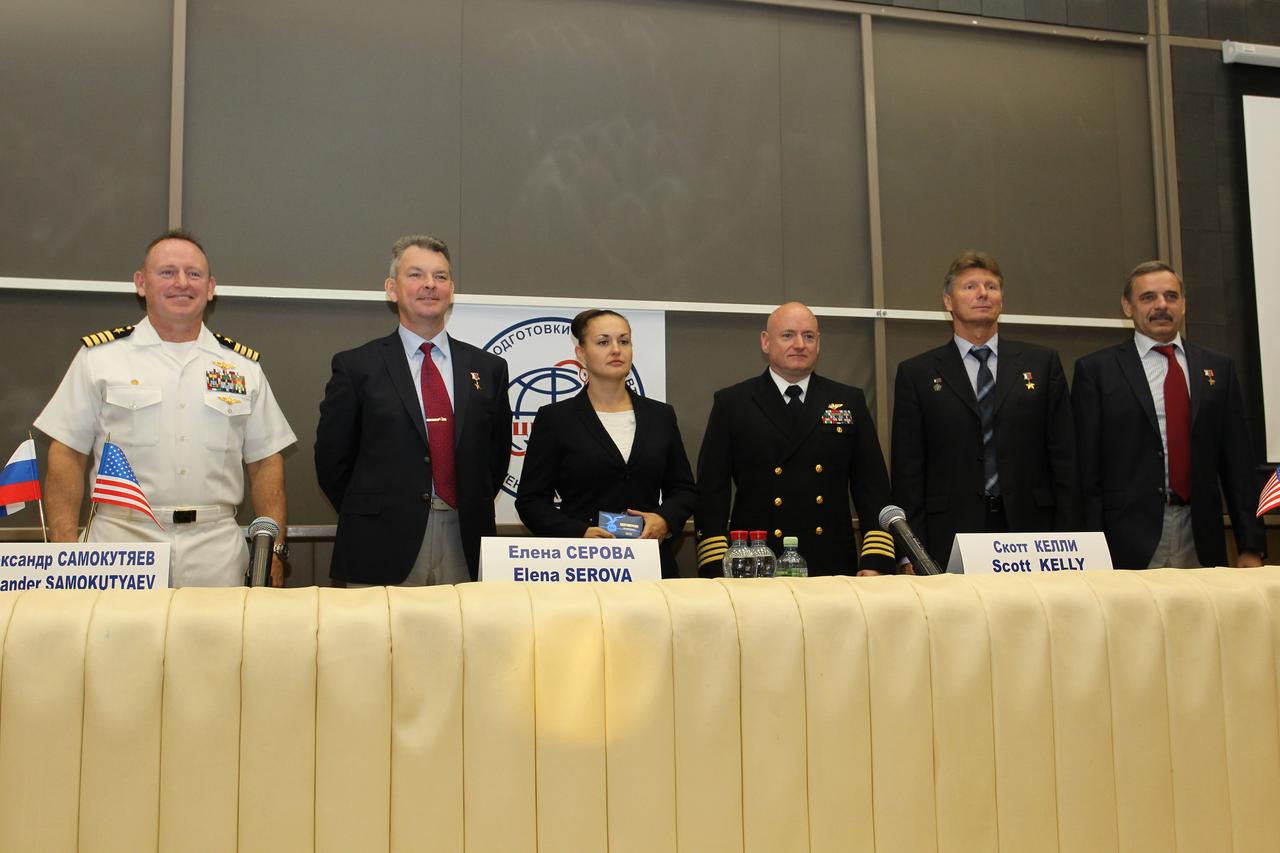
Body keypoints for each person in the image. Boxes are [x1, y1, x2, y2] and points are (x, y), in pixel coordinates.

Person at [35, 229, 295, 587]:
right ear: (141, 283)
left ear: (210, 287)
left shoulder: (242, 367)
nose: (182, 283)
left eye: (194, 274)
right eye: (167, 272)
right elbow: (67, 453)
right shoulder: (99, 359)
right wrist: (63, 550)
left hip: (215, 549)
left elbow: (266, 462)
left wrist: (275, 551)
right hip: (121, 542)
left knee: (217, 628)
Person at [315, 235, 511, 586]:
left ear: (451, 290)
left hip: (464, 539)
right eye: (416, 274)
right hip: (379, 541)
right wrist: (375, 510)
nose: (429, 285)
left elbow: (495, 459)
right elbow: (332, 461)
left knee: (464, 625)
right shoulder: (356, 367)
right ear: (392, 289)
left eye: (440, 276)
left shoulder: (488, 368)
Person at [891, 251, 1078, 569]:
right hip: (948, 532)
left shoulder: (1042, 364)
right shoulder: (916, 373)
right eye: (970, 287)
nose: (982, 294)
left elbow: (1064, 457)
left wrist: (1071, 538)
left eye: (991, 287)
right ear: (948, 301)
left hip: (1033, 530)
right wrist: (911, 552)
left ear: (1001, 300)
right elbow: (908, 470)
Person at [1073, 261, 1265, 568]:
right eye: (1148, 297)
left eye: (1171, 296)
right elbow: (1086, 470)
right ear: (1128, 307)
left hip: (1200, 535)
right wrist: (1091, 548)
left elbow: (1238, 464)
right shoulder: (1096, 371)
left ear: (1184, 304)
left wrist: (1251, 545)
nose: (1162, 305)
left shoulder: (1218, 368)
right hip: (1125, 539)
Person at [694, 302, 896, 576]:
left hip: (830, 562)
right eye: (788, 335)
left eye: (808, 336)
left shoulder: (848, 400)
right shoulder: (733, 403)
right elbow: (711, 492)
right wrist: (716, 565)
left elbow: (872, 486)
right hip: (757, 563)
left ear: (818, 344)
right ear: (766, 342)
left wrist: (876, 560)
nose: (799, 344)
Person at [515, 309, 697, 578]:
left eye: (624, 341)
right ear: (581, 353)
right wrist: (579, 533)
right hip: (582, 567)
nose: (616, 350)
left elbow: (683, 490)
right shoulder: (556, 419)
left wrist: (664, 520)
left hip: (651, 565)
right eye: (603, 342)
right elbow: (531, 502)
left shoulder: (660, 415)